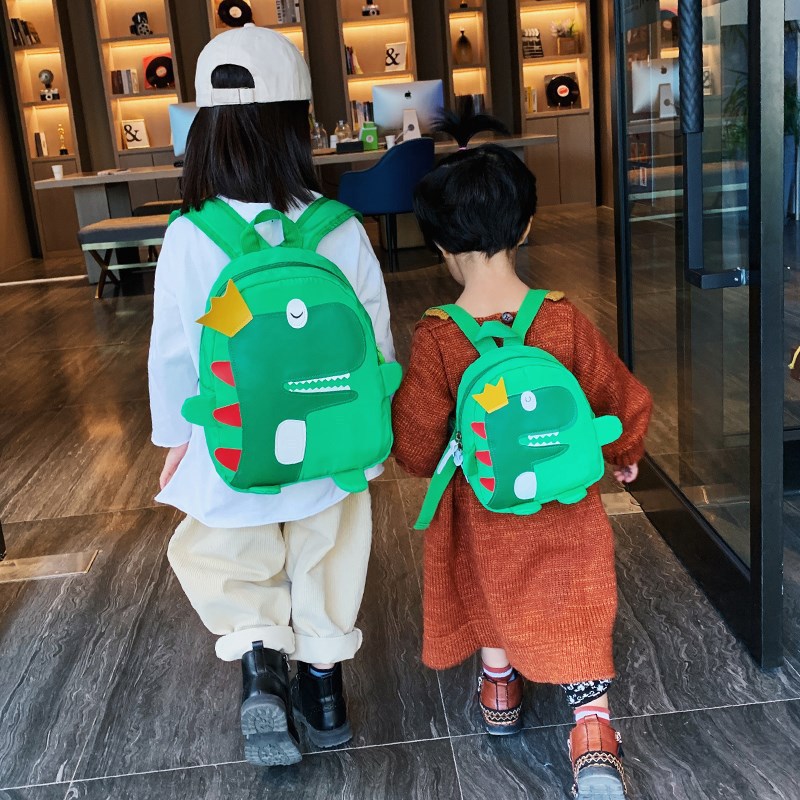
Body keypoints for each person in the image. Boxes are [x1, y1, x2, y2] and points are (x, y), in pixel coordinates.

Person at [148, 25, 395, 767]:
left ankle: (260, 662)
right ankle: (325, 689)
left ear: (204, 129)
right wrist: (370, 424)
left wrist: (176, 441)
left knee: (227, 543)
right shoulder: (339, 228)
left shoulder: (191, 235)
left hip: (235, 435)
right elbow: (374, 339)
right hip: (329, 434)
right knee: (329, 544)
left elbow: (174, 351)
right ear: (296, 125)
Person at [391, 143, 652, 799]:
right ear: (526, 226)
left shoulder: (438, 336)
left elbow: (416, 447)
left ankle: (500, 687)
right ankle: (592, 732)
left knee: (488, 587)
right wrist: (623, 453)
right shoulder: (561, 318)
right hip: (566, 505)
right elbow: (617, 395)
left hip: (482, 512)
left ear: (440, 244)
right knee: (574, 601)